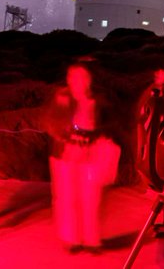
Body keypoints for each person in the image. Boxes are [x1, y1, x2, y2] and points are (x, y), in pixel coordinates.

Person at [47, 59, 108, 254]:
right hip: (64, 154)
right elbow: (50, 121)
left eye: (82, 77)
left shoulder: (97, 101)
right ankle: (69, 238)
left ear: (88, 80)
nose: (78, 82)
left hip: (90, 153)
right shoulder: (62, 98)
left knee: (91, 196)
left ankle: (91, 238)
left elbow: (107, 125)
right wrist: (63, 134)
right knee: (66, 196)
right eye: (73, 77)